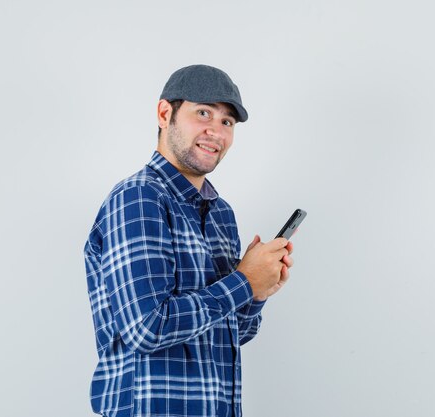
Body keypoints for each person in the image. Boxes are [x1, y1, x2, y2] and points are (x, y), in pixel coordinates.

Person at [84, 64, 294, 417]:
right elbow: (146, 328)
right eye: (203, 113)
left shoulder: (220, 213)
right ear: (165, 114)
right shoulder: (138, 198)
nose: (216, 131)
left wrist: (258, 291)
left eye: (227, 122)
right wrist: (244, 282)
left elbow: (232, 333)